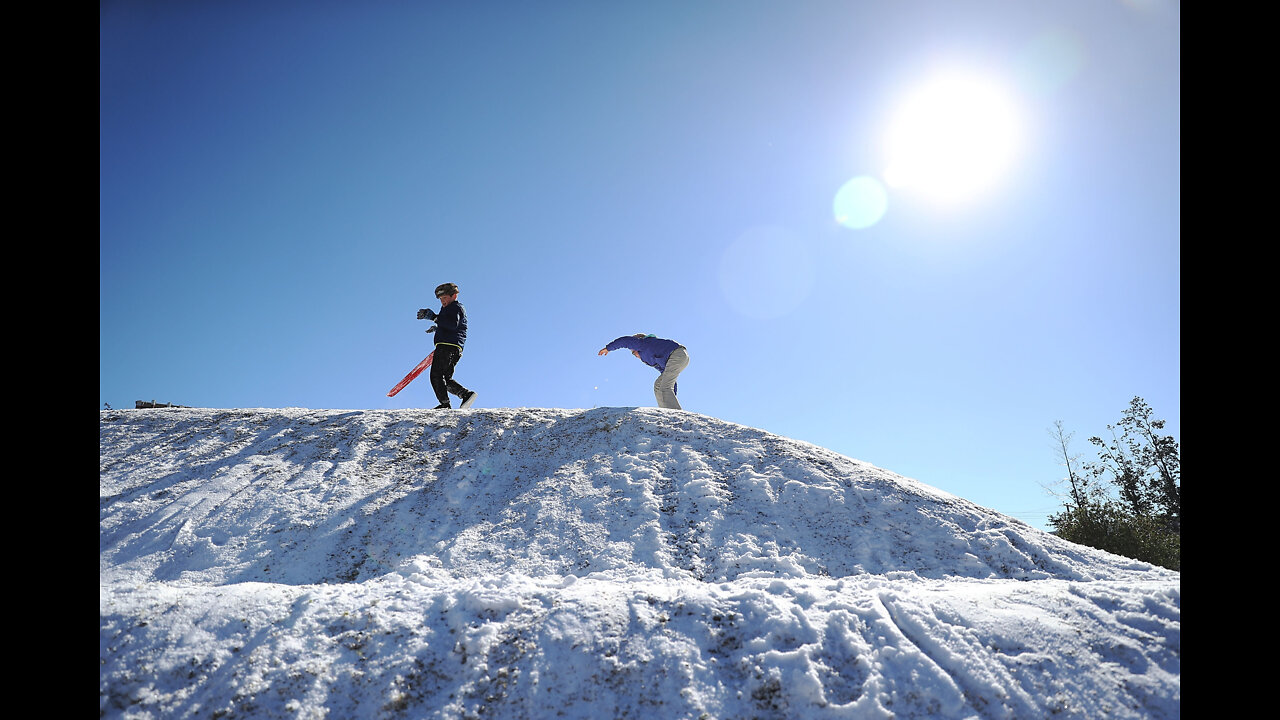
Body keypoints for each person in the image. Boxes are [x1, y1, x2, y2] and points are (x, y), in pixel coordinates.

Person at [418, 282, 477, 409]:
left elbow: (452, 324)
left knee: (436, 375)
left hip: (447, 346)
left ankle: (445, 404)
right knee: (445, 378)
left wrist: (434, 318)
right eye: (440, 299)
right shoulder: (447, 309)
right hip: (453, 347)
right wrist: (437, 328)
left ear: (454, 296)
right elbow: (450, 325)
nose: (442, 301)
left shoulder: (455, 307)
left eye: (445, 298)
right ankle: (466, 395)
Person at [597, 333, 689, 410]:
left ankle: (675, 413)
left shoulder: (644, 344)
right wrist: (672, 394)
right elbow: (665, 374)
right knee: (658, 385)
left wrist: (608, 348)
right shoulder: (649, 358)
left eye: (633, 352)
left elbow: (625, 341)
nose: (635, 355)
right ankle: (665, 411)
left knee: (664, 387)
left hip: (677, 354)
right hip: (677, 358)